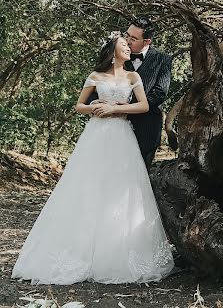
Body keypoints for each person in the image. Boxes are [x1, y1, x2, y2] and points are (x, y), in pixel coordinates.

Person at [12, 32, 174, 285]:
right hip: (96, 135)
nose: (129, 48)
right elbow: (80, 105)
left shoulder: (134, 76)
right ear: (112, 52)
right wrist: (94, 107)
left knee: (121, 188)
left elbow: (143, 106)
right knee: (88, 185)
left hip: (122, 135)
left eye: (130, 44)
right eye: (124, 45)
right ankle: (82, 248)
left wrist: (116, 108)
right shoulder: (96, 76)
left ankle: (115, 247)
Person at [123, 16, 172, 169]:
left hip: (147, 127)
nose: (128, 41)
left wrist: (127, 109)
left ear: (147, 42)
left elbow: (159, 93)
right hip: (116, 126)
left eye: (134, 38)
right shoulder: (116, 56)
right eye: (127, 35)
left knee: (139, 174)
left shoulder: (163, 59)